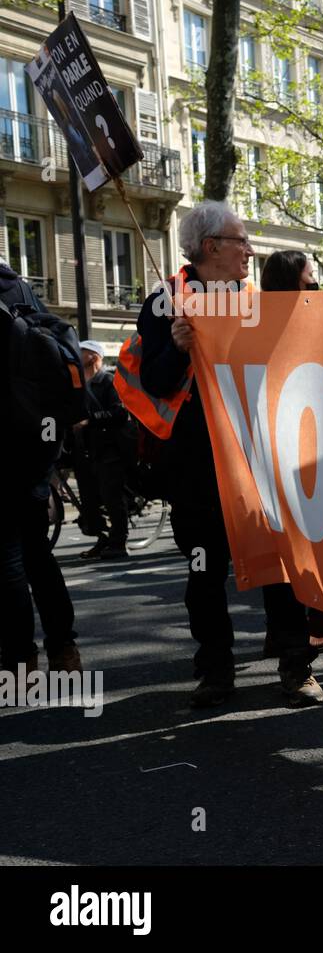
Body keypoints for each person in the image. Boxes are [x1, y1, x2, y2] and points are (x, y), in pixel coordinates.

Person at [125, 200, 323, 708]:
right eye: (241, 241)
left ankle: (296, 666)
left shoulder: (256, 299)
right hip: (195, 465)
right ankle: (215, 670)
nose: (250, 251)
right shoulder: (166, 300)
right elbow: (154, 381)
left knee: (280, 564)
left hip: (260, 457)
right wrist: (175, 346)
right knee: (203, 570)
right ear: (211, 247)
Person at [257, 249, 323, 656]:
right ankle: (287, 631)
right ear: (289, 285)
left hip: (317, 447)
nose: (317, 288)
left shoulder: (315, 320)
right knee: (284, 547)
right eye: (310, 282)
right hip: (281, 452)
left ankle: (321, 616)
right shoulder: (259, 325)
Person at [1, 260, 82, 675]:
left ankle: (19, 660)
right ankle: (64, 650)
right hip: (36, 447)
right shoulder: (19, 288)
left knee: (9, 559)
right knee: (37, 555)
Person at [72, 340, 134, 561]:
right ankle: (102, 537)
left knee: (112, 497)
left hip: (109, 448)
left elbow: (119, 412)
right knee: (89, 501)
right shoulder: (78, 383)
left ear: (94, 356)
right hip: (86, 450)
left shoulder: (108, 381)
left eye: (82, 351)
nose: (77, 354)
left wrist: (90, 421)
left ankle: (119, 543)